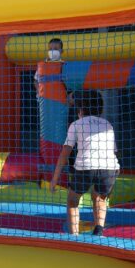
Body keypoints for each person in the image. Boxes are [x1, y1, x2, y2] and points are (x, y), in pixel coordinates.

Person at [49, 89, 119, 237]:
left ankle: (74, 235)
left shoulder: (76, 124)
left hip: (86, 167)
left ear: (80, 109)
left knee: (73, 200)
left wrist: (55, 178)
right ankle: (99, 229)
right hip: (109, 167)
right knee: (99, 197)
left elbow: (65, 153)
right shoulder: (107, 124)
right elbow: (113, 150)